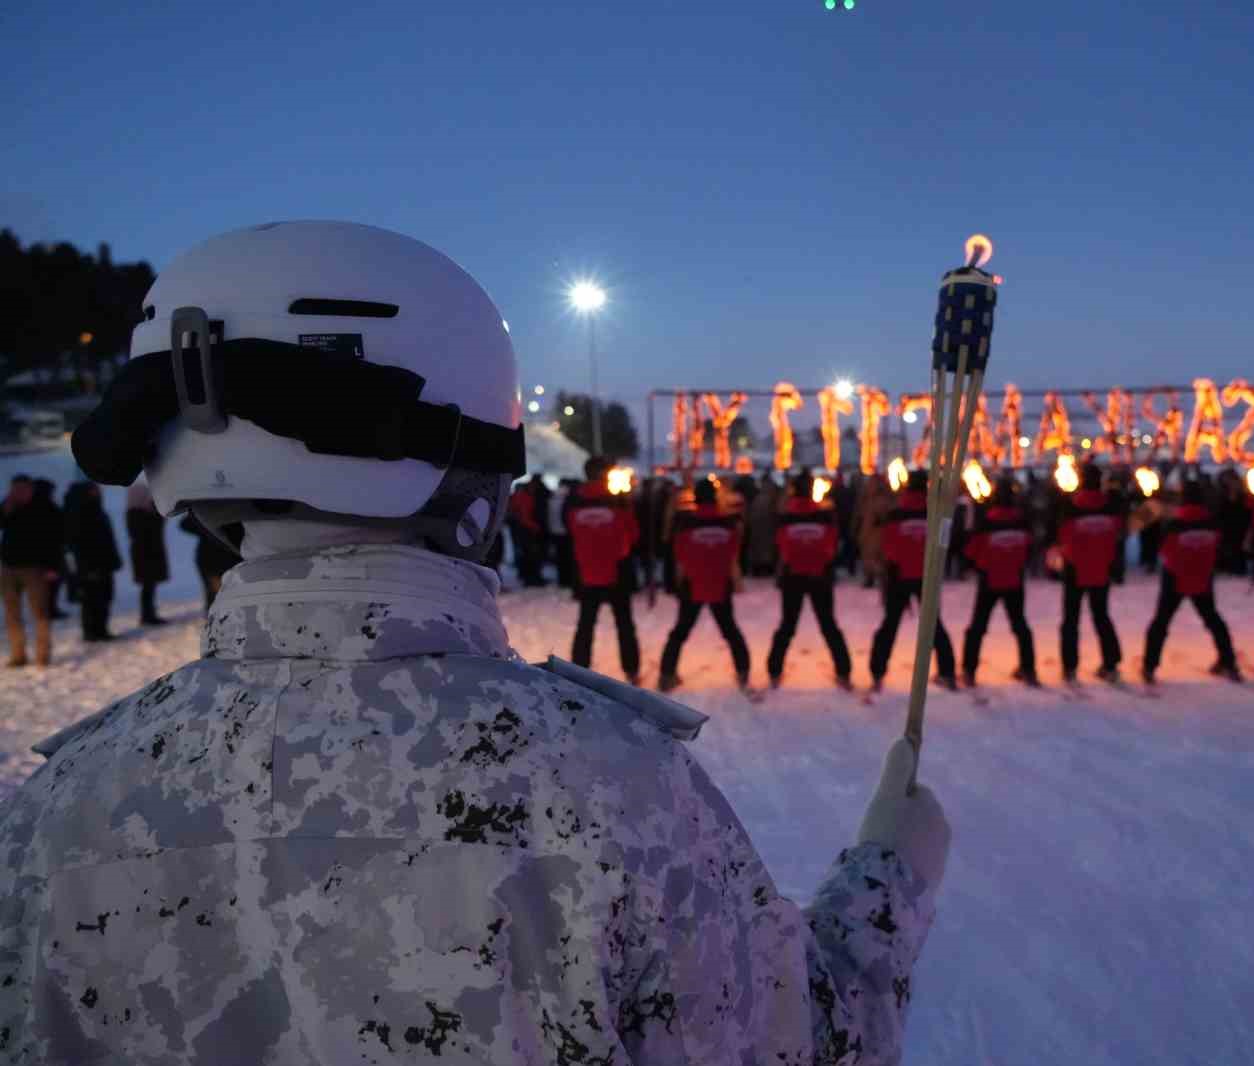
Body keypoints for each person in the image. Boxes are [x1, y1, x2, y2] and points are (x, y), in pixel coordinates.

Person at [0, 221, 948, 1064]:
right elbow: (801, 1044)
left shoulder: (47, 813)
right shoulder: (610, 782)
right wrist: (888, 879)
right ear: (470, 456)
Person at [1142, 479, 1240, 684]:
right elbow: (1219, 549)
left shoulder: (1175, 525)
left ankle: (1150, 665)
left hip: (1175, 577)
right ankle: (1229, 661)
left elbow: (1164, 550)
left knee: (1161, 621)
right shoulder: (1212, 523)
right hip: (1202, 576)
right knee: (1213, 619)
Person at [868, 469, 957, 693]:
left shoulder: (896, 514)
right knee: (934, 626)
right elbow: (944, 544)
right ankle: (947, 671)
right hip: (927, 576)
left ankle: (877, 671)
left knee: (890, 624)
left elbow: (887, 545)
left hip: (899, 575)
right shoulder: (936, 513)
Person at [659, 477, 751, 691]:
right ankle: (743, 671)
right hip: (720, 583)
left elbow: (679, 557)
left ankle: (666, 674)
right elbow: (734, 553)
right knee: (730, 630)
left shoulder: (685, 524)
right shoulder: (729, 524)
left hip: (693, 583)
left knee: (680, 631)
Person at [765, 470, 853, 689]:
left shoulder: (785, 517)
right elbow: (832, 546)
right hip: (820, 576)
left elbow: (780, 546)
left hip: (792, 576)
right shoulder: (825, 516)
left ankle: (774, 671)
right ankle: (844, 671)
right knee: (828, 624)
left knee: (787, 625)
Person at [564, 455, 642, 683]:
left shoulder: (574, 501)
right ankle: (631, 670)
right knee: (624, 624)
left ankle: (579, 671)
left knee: (585, 624)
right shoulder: (617, 502)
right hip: (617, 570)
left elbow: (569, 529)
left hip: (586, 570)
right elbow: (633, 535)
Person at [961, 477, 1037, 686]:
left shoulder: (987, 523)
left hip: (990, 580)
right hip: (1014, 579)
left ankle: (969, 670)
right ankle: (1028, 668)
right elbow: (1029, 549)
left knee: (978, 626)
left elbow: (971, 552)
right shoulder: (1021, 523)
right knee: (1020, 625)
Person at [1054, 464, 1126, 684]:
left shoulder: (1071, 508)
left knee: (1071, 620)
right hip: (1101, 569)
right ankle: (1111, 664)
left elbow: (1062, 537)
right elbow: (1118, 536)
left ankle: (1069, 667)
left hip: (1075, 569)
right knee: (1102, 617)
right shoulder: (1110, 509)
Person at [0, 473, 57, 667]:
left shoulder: (45, 507)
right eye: (15, 489)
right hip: (8, 567)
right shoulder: (8, 506)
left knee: (40, 612)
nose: (18, 493)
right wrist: (6, 509)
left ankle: (42, 654)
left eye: (22, 489)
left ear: (30, 489)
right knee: (11, 613)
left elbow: (55, 540)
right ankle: (18, 654)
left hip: (35, 568)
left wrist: (52, 566)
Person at [63, 481, 122, 640]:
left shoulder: (97, 511)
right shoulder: (78, 515)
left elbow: (108, 539)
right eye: (93, 490)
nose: (98, 492)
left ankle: (100, 629)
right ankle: (91, 631)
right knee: (90, 600)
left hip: (103, 564)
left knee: (103, 597)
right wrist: (84, 568)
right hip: (88, 567)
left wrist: (113, 559)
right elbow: (76, 544)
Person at [124, 476, 169, 625]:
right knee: (148, 586)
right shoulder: (137, 514)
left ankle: (149, 613)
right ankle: (147, 615)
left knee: (150, 585)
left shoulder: (138, 513)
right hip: (145, 554)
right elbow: (149, 530)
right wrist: (154, 514)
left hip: (147, 553)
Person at [179, 510, 238, 610]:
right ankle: (214, 620)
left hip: (228, 557)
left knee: (230, 592)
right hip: (211, 559)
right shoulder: (206, 507)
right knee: (214, 594)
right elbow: (185, 524)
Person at [31, 480, 69, 620]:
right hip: (50, 552)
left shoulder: (33, 506)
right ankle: (49, 610)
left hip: (44, 552)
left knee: (48, 584)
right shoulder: (47, 507)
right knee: (50, 584)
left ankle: (48, 609)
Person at [505, 476, 545, 587]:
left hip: (522, 529)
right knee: (530, 554)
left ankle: (527, 576)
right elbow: (524, 516)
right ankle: (531, 578)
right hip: (526, 530)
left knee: (525, 553)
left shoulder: (520, 496)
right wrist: (535, 527)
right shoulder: (525, 497)